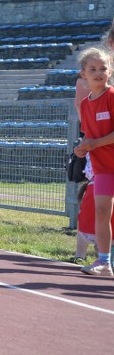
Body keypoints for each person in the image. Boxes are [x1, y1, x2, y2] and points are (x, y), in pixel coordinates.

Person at [74, 46, 114, 276]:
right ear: (84, 74)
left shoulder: (112, 97)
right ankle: (104, 262)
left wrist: (95, 143)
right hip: (103, 168)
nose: (99, 73)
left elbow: (98, 139)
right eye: (93, 69)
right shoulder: (85, 104)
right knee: (102, 211)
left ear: (110, 71)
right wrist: (82, 148)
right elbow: (89, 135)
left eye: (103, 68)